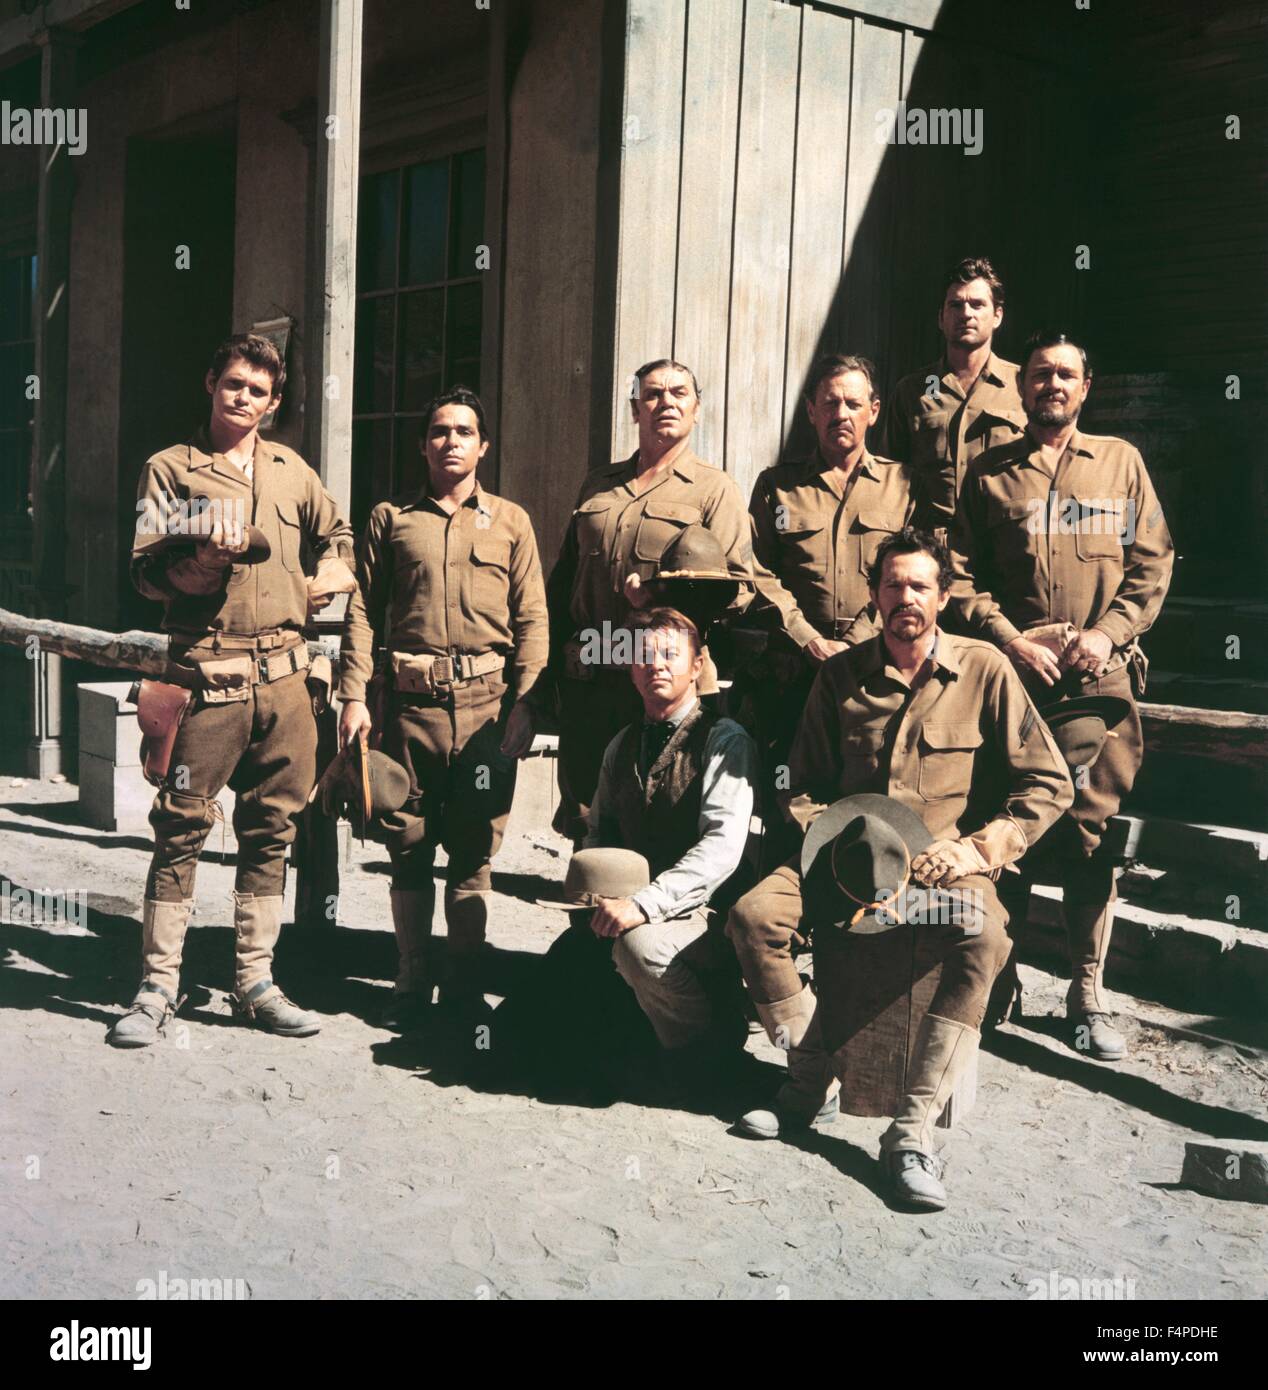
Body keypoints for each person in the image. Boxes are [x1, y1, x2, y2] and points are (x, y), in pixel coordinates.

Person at [726, 528, 1073, 1209]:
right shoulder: (839, 677)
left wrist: (980, 849)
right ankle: (809, 1082)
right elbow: (799, 787)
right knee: (754, 917)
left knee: (983, 936)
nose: (905, 597)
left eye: (919, 586)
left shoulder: (985, 671)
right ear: (875, 595)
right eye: (892, 585)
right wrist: (848, 848)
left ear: (944, 596)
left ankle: (910, 1134)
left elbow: (1048, 782)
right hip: (846, 861)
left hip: (943, 872)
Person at [110, 333, 354, 1047]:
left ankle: (254, 979)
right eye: (233, 384)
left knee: (271, 830)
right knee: (182, 825)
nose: (243, 398)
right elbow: (146, 576)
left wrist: (332, 573)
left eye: (258, 390)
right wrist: (203, 567)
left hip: (285, 680)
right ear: (211, 384)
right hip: (208, 676)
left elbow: (338, 535)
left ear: (272, 404)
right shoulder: (170, 469)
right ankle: (157, 984)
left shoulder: (291, 470)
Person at [947, 330, 1174, 1060]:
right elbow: (958, 577)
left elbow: (1151, 563)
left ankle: (1084, 991)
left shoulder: (1120, 464)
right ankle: (998, 975)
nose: (1051, 384)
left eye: (1065, 375)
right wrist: (1008, 636)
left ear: (1085, 388)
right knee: (1003, 825)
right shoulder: (989, 475)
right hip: (1011, 687)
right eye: (1040, 373)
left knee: (1086, 834)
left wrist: (1108, 634)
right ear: (1020, 389)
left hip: (1095, 689)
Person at [337, 387, 549, 1027]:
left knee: (472, 850)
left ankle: (462, 984)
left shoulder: (511, 522)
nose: (450, 441)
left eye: (463, 431)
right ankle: (410, 979)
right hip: (409, 710)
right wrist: (353, 695)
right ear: (423, 444)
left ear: (483, 446)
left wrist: (527, 702)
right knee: (408, 845)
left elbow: (533, 617)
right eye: (438, 431)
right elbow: (362, 613)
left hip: (487, 712)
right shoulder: (391, 519)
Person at [535, 358, 791, 844]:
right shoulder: (599, 485)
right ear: (635, 409)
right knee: (589, 811)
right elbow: (563, 582)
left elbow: (741, 586)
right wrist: (548, 669)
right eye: (652, 394)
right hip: (593, 675)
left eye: (678, 393)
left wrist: (663, 597)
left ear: (697, 410)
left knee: (658, 804)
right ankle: (592, 905)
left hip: (661, 677)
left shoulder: (715, 490)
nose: (665, 403)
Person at [741, 353, 927, 861]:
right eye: (829, 403)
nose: (840, 413)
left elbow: (913, 568)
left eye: (852, 403)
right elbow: (755, 569)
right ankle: (781, 905)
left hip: (876, 665)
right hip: (796, 669)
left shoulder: (904, 484)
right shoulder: (777, 486)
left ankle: (857, 902)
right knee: (788, 792)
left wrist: (860, 640)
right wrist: (807, 637)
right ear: (810, 411)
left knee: (866, 780)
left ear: (873, 410)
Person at [583, 606, 759, 1076]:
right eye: (643, 655)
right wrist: (596, 896)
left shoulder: (723, 740)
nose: (656, 664)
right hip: (635, 905)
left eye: (670, 654)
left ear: (697, 666)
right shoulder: (620, 745)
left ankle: (709, 1050)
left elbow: (722, 847)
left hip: (707, 915)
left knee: (639, 948)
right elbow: (598, 834)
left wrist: (643, 905)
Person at [883, 257, 1025, 520]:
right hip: (932, 549)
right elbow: (891, 480)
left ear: (997, 316)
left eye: (977, 304)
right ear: (941, 317)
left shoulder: (1023, 386)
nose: (966, 313)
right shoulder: (911, 392)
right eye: (956, 305)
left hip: (1003, 544)